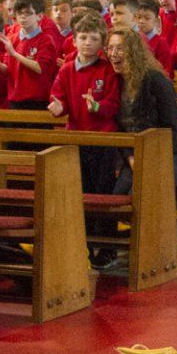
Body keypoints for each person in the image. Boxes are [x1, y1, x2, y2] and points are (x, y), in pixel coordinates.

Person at [49, 15, 122, 263]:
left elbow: (112, 104)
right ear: (73, 40)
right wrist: (58, 107)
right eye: (82, 37)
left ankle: (108, 245)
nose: (87, 43)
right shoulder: (67, 69)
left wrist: (96, 108)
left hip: (103, 139)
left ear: (102, 42)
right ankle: (85, 243)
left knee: (103, 192)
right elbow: (58, 97)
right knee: (80, 191)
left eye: (94, 38)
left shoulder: (107, 70)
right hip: (76, 137)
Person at [110, 27, 177, 198]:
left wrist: (149, 158)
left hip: (173, 153)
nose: (113, 53)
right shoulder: (115, 83)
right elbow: (119, 129)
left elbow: (172, 127)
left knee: (143, 193)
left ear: (134, 51)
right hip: (137, 154)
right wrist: (130, 158)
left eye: (119, 48)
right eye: (110, 48)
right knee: (117, 196)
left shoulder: (156, 81)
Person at [2, 0, 59, 109]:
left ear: (39, 16)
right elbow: (7, 69)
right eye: (20, 13)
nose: (23, 17)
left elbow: (40, 68)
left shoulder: (45, 40)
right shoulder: (12, 38)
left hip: (37, 99)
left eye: (28, 13)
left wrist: (15, 54)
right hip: (14, 98)